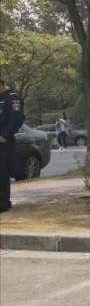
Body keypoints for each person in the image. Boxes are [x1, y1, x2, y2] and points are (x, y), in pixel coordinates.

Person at [0, 77, 26, 213]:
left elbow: (17, 119)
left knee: (2, 172)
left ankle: (3, 204)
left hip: (4, 142)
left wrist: (6, 135)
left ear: (1, 84)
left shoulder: (12, 98)